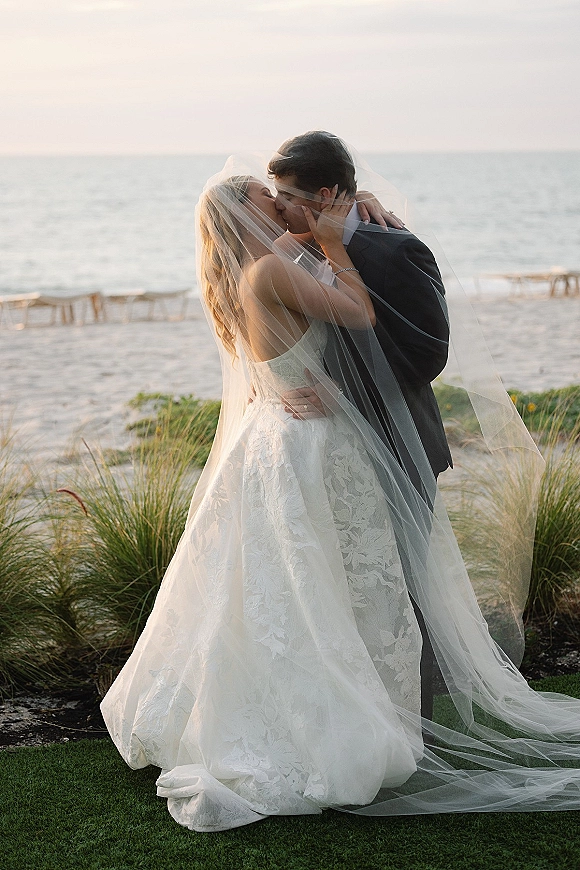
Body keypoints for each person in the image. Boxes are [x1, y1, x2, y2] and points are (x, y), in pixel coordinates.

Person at [101, 149, 580, 833]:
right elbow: (356, 313)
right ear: (251, 216)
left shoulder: (246, 267)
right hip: (307, 449)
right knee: (318, 588)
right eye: (271, 201)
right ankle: (317, 733)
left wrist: (365, 214)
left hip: (271, 440)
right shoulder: (272, 268)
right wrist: (333, 242)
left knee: (279, 590)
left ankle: (289, 713)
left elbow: (308, 277)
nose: (284, 206)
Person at [268, 131, 452, 719]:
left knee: (405, 588)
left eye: (286, 195)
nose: (277, 207)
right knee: (357, 591)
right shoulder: (296, 243)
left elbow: (429, 353)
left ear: (324, 196)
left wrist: (342, 393)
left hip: (398, 441)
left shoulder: (394, 248)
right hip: (335, 449)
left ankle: (418, 724)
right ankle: (367, 720)